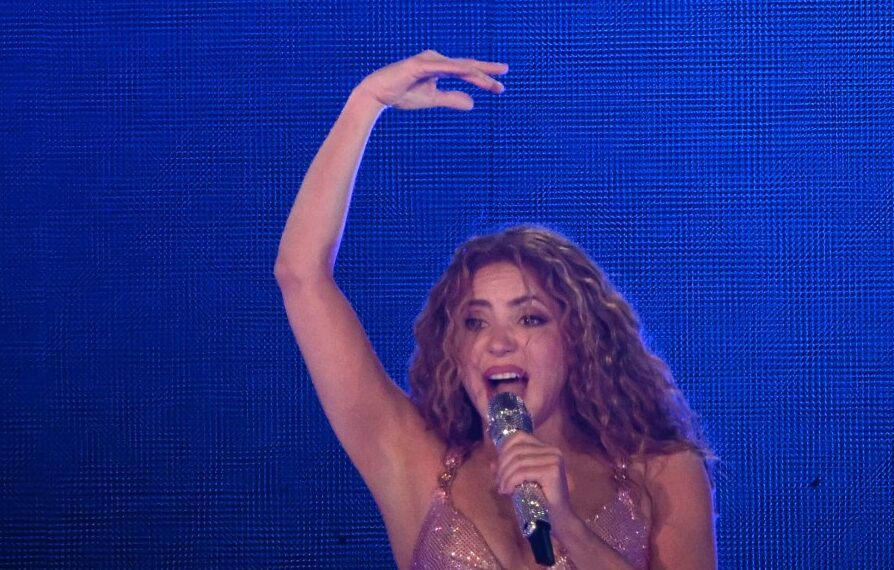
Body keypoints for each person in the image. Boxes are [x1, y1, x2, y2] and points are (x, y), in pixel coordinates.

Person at [275, 50, 717, 569]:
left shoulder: (661, 474)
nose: (498, 342)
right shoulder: (413, 463)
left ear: (579, 338)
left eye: (530, 318)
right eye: (475, 321)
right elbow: (300, 277)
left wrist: (567, 524)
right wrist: (365, 102)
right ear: (454, 349)